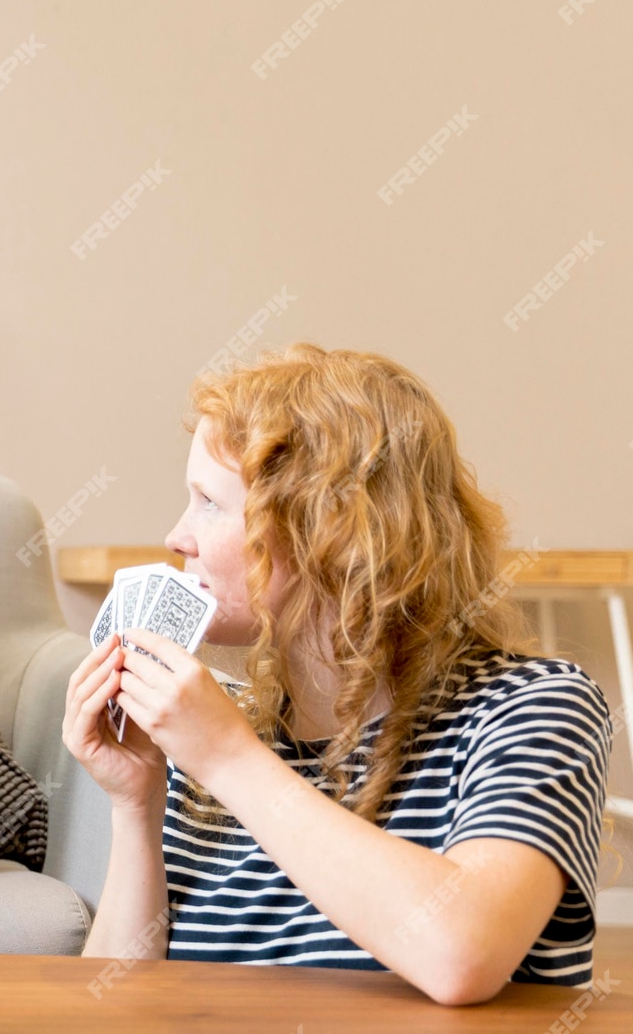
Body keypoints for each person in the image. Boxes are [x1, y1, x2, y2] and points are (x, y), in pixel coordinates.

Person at [65, 344, 609, 1004]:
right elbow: (112, 1005)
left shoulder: (538, 707)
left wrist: (228, 758)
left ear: (329, 528)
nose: (178, 536)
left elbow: (462, 956)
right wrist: (137, 804)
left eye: (209, 502)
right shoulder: (210, 731)